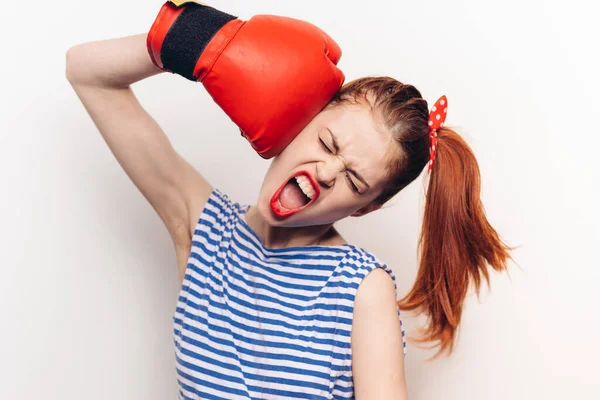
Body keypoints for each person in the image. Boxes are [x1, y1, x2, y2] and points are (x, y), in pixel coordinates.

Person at [66, 2, 513, 399]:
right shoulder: (204, 230)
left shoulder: (359, 288)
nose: (325, 171)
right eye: (328, 142)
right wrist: (199, 38)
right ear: (299, 118)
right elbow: (86, 72)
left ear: (366, 207)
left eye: (355, 183)